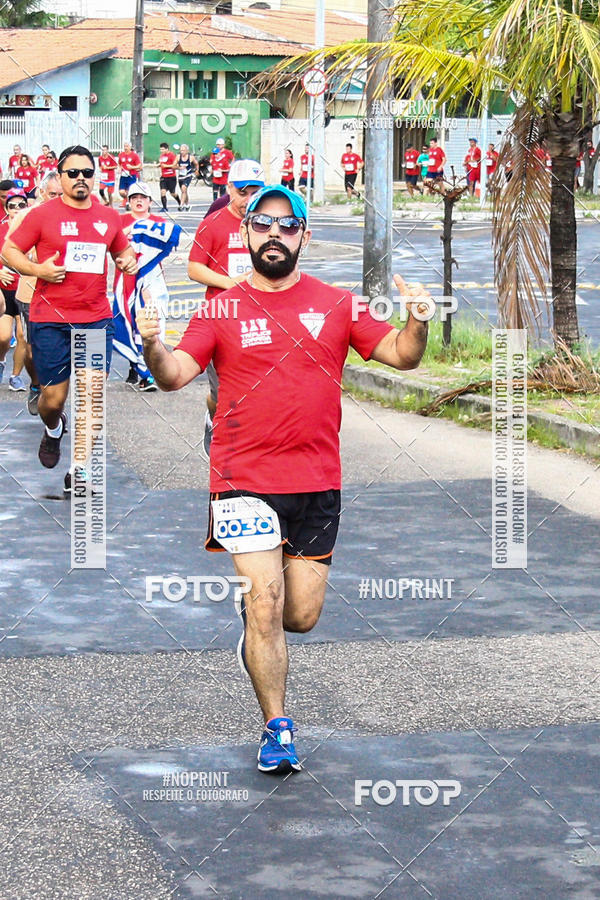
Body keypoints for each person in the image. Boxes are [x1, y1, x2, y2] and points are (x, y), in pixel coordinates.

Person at [139, 184, 430, 774]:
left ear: (304, 235)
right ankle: (278, 727)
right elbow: (174, 376)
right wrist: (151, 343)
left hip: (317, 479)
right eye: (262, 224)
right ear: (244, 234)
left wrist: (418, 320)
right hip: (241, 477)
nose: (274, 234)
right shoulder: (221, 308)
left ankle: (255, 635)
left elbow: (403, 356)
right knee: (267, 607)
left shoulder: (336, 303)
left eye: (286, 225)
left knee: (300, 617)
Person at [1, 144, 136, 492]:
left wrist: (127, 260)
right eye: (72, 173)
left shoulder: (108, 217)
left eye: (86, 173)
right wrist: (37, 269)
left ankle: (80, 469)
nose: (80, 179)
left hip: (94, 319)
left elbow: (123, 250)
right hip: (51, 320)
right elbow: (9, 249)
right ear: (59, 177)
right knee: (53, 400)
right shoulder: (42, 214)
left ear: (95, 177)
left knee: (91, 396)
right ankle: (53, 428)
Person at [188, 159, 265, 458]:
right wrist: (231, 283)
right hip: (222, 318)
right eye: (243, 192)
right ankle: (212, 417)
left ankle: (252, 445)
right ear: (229, 188)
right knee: (222, 393)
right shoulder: (214, 223)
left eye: (255, 192)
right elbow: (194, 269)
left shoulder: (266, 224)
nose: (249, 199)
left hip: (262, 318)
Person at [112, 181, 180, 391]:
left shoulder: (160, 223)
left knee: (151, 323)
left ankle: (148, 371)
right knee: (127, 322)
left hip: (151, 279)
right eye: (134, 198)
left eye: (143, 198)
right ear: (128, 202)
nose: (139, 201)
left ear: (150, 201)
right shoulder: (119, 221)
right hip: (124, 279)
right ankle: (137, 367)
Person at [9, 171, 63, 415]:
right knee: (31, 351)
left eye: (62, 194)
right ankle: (35, 384)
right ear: (41, 193)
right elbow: (8, 253)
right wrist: (36, 264)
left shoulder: (78, 214)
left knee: (69, 355)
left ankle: (56, 407)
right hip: (32, 294)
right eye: (53, 194)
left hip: (68, 298)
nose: (58, 199)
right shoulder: (26, 216)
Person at [0, 188, 29, 391]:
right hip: (4, 290)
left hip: (25, 288)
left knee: (22, 336)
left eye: (22, 205)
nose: (17, 209)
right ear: (6, 208)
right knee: (3, 336)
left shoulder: (34, 228)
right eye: (12, 206)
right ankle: (1, 360)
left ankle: (15, 376)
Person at [155, 142, 181, 213]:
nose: (162, 151)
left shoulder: (172, 155)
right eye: (161, 149)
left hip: (171, 177)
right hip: (164, 177)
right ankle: (164, 207)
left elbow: (176, 166)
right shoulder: (161, 156)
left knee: (172, 193)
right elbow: (162, 164)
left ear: (167, 149)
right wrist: (159, 165)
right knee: (162, 192)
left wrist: (166, 166)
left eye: (163, 149)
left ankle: (180, 202)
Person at [118, 141, 143, 208]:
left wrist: (132, 167)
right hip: (123, 176)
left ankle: (129, 203)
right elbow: (119, 164)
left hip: (131, 175)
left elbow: (139, 166)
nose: (125, 148)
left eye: (127, 146)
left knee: (130, 191)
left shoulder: (134, 155)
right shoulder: (121, 155)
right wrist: (119, 168)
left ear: (130, 147)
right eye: (124, 146)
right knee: (121, 192)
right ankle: (126, 199)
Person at [177, 143, 197, 211]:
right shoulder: (178, 157)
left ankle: (181, 205)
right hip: (181, 176)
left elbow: (196, 164)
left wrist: (196, 170)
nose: (182, 152)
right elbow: (173, 166)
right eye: (181, 150)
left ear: (187, 151)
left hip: (188, 175)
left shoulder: (191, 157)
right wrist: (179, 167)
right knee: (184, 191)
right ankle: (187, 204)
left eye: (183, 150)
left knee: (183, 189)